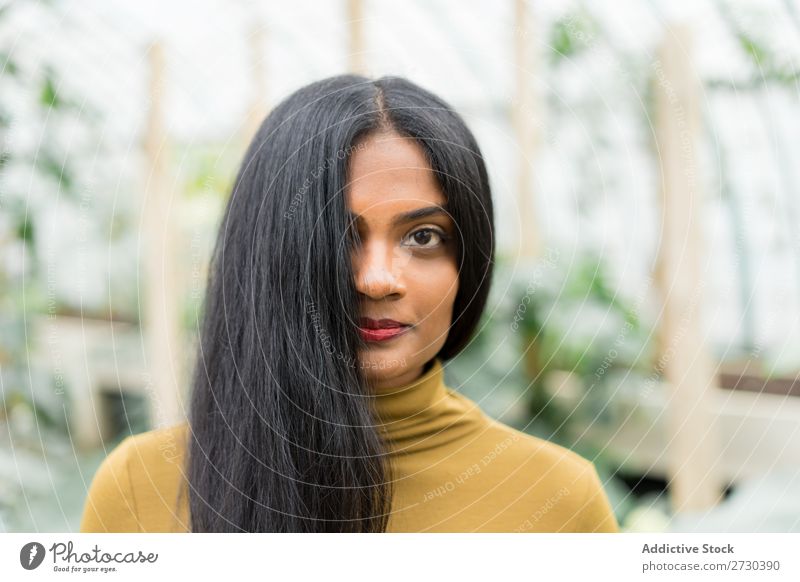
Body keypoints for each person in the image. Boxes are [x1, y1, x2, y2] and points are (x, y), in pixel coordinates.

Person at [80, 75, 619, 533]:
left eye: (424, 237)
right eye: (337, 234)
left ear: (469, 264)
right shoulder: (138, 488)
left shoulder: (560, 503)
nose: (378, 280)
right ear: (267, 255)